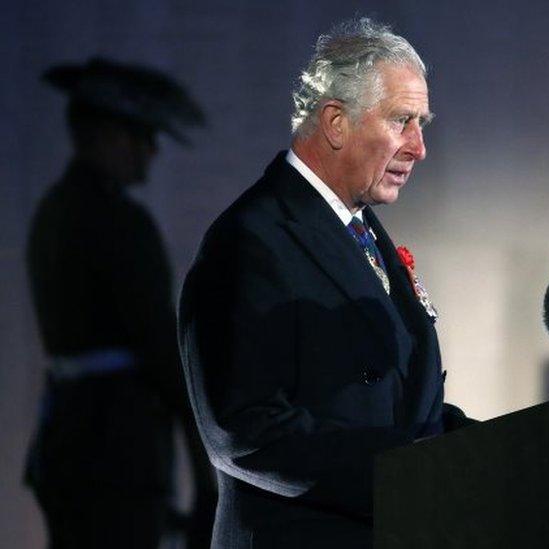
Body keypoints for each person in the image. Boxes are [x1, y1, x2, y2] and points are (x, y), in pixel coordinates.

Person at [178, 18, 472, 548]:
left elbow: (398, 405)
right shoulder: (250, 241)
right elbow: (245, 431)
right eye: (402, 120)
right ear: (336, 122)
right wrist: (405, 477)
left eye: (421, 122)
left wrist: (488, 455)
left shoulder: (358, 229)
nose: (419, 147)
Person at [26, 58, 216, 549]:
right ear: (107, 134)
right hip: (116, 452)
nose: (150, 151)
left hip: (68, 444)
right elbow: (160, 348)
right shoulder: (119, 222)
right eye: (140, 135)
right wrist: (204, 467)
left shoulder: (54, 210)